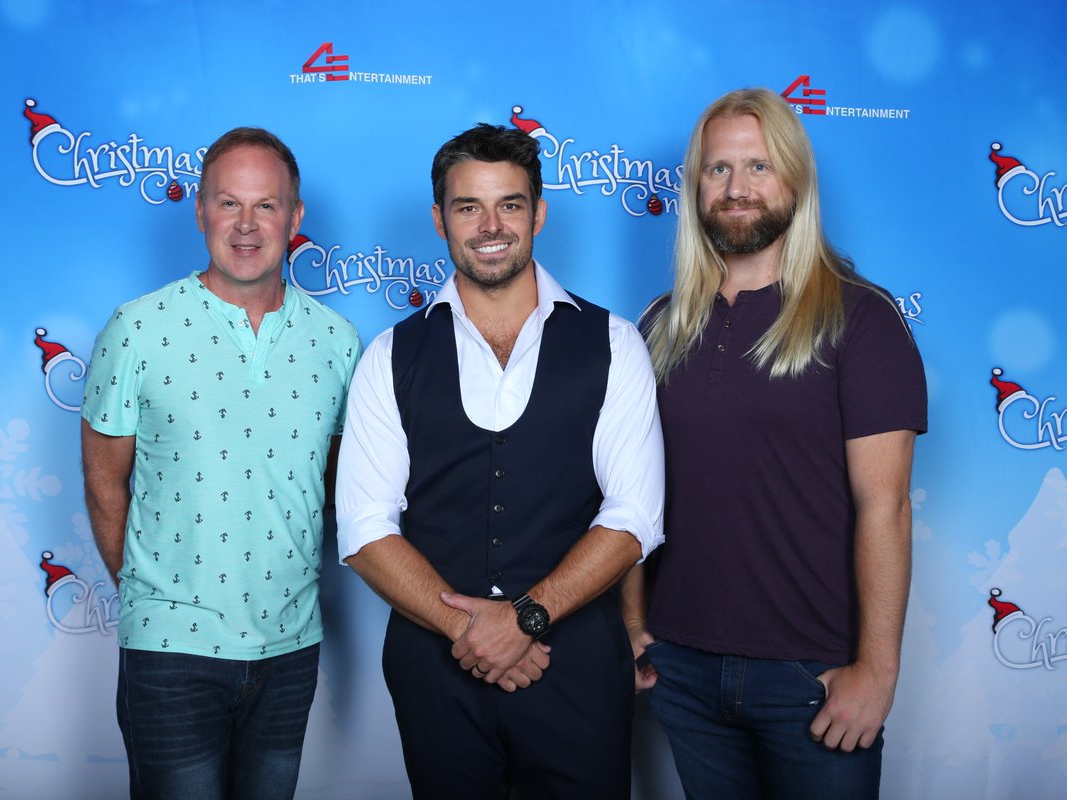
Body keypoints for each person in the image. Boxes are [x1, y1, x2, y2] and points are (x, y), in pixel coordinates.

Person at [335, 123, 664, 799]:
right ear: (439, 220)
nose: (491, 225)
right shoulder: (389, 357)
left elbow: (635, 517)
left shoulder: (614, 343)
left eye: (509, 204)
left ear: (538, 213)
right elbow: (365, 529)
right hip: (437, 669)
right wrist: (470, 630)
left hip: (576, 668)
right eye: (467, 207)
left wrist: (522, 621)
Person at [623, 87, 927, 799]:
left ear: (795, 179)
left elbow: (885, 507)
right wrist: (634, 625)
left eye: (758, 166)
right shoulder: (660, 326)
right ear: (696, 187)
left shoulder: (863, 319)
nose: (737, 188)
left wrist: (877, 672)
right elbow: (629, 495)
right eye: (718, 169)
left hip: (812, 676)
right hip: (683, 669)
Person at [80, 126, 361, 800]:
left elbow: (338, 488)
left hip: (291, 651)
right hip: (169, 651)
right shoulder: (138, 328)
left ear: (295, 218)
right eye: (227, 203)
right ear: (200, 210)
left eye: (265, 206)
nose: (246, 225)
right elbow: (102, 480)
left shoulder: (338, 341)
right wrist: (157, 598)